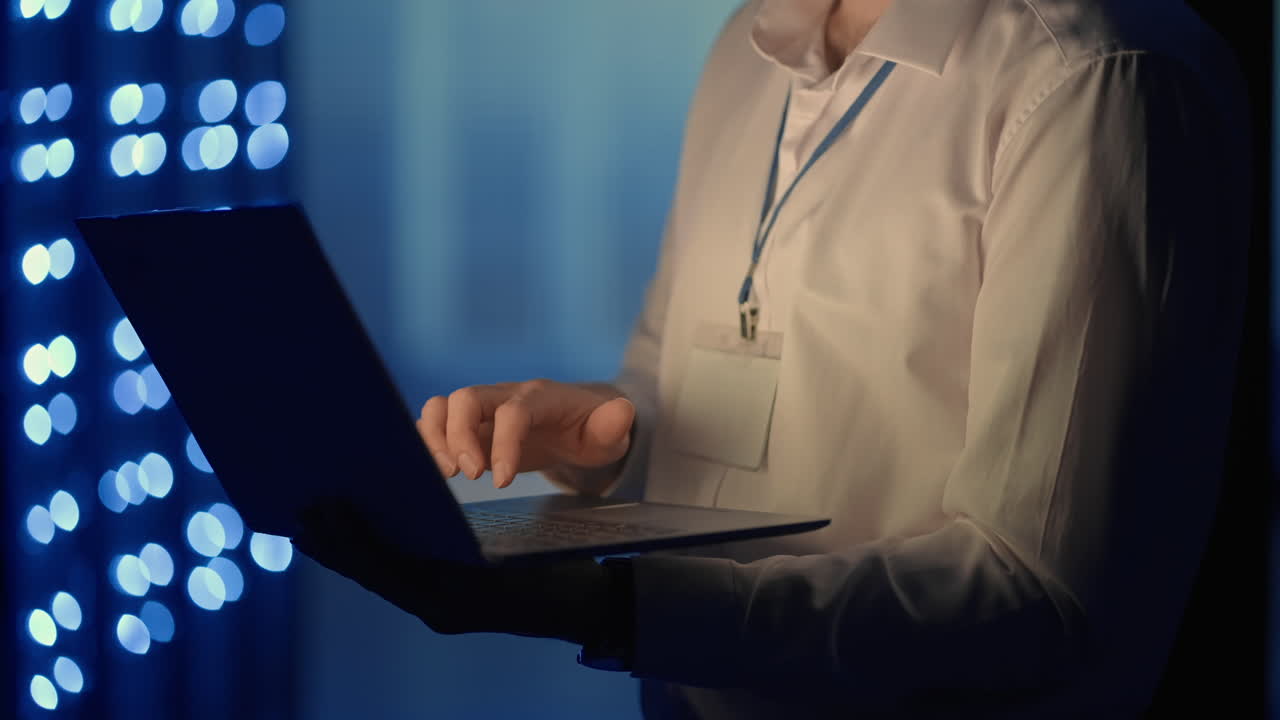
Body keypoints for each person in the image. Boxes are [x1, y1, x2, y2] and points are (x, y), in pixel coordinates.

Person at [292, 0, 1252, 716]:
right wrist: (607, 441)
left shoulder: (1094, 74)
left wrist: (611, 609)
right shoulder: (750, 48)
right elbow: (681, 377)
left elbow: (1036, 598)